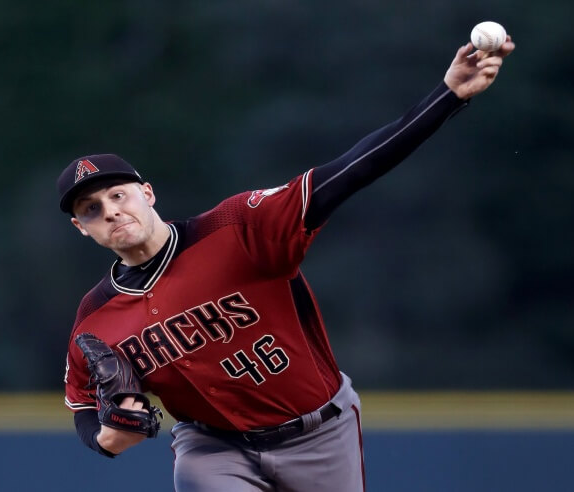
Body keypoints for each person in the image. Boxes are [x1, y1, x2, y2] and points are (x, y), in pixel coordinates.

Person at [58, 36, 515, 491]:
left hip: (319, 432)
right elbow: (81, 404)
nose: (111, 210)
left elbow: (351, 170)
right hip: (213, 448)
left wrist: (447, 96)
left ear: (148, 193)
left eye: (118, 195)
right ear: (82, 228)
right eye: (92, 208)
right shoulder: (95, 320)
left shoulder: (237, 229)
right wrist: (105, 438)